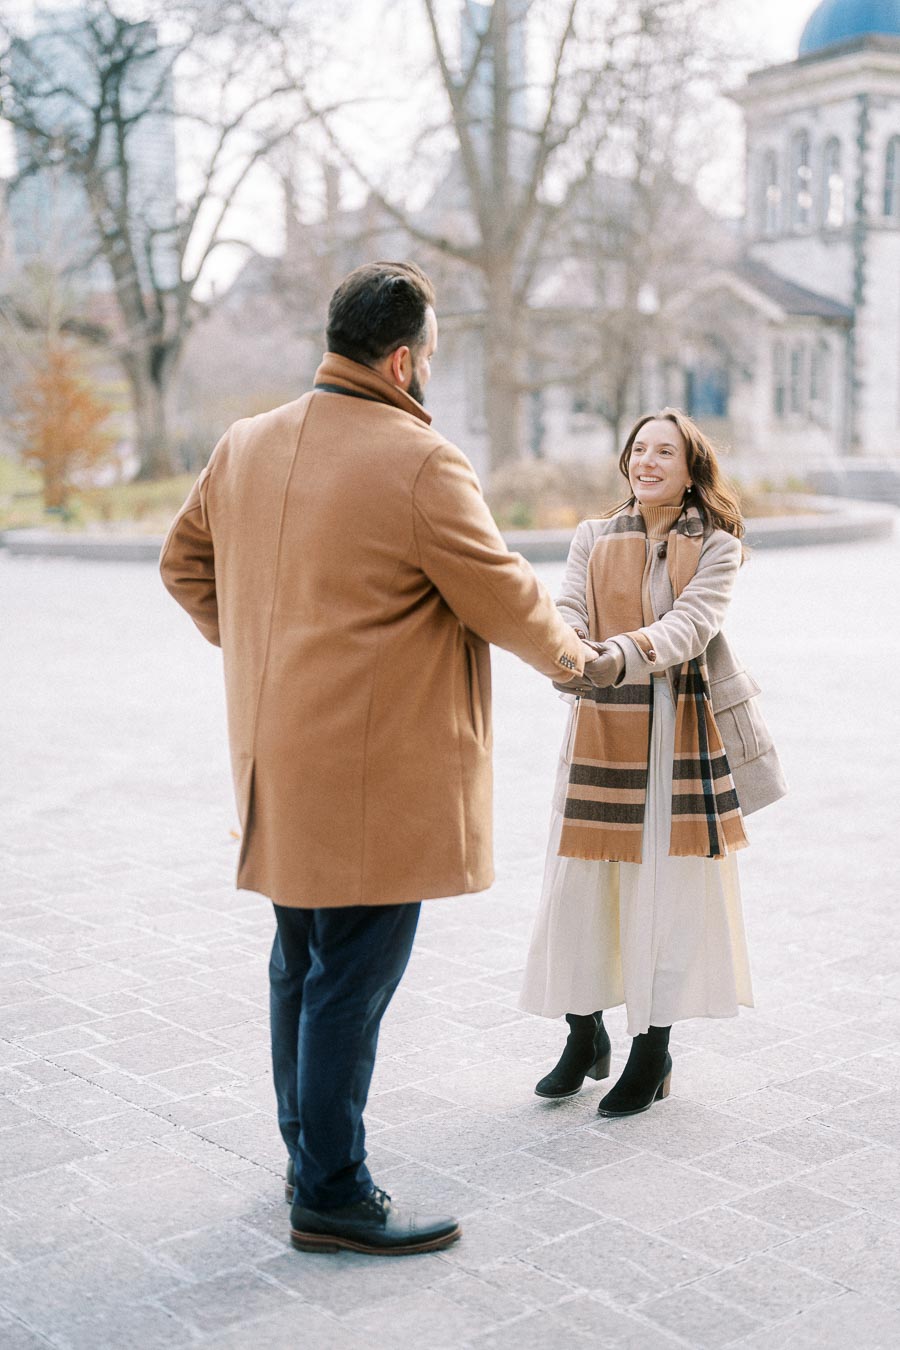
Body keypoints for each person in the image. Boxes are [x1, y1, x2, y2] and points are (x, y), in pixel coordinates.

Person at [160, 261, 606, 1256]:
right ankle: (332, 1190)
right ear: (403, 359)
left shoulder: (245, 443)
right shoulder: (418, 459)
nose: (430, 373)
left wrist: (266, 649)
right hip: (370, 775)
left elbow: (182, 563)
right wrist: (581, 663)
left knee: (300, 963)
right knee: (348, 980)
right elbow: (501, 591)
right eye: (432, 356)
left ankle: (305, 1157)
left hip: (278, 760)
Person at [519, 409, 786, 1116]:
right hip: (600, 728)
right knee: (577, 888)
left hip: (675, 732)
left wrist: (615, 657)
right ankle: (584, 1034)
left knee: (662, 894)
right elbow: (569, 609)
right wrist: (572, 652)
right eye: (639, 449)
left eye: (664, 451)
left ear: (691, 467)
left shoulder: (718, 547)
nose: (647, 461)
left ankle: (652, 1051)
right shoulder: (590, 537)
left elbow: (689, 626)